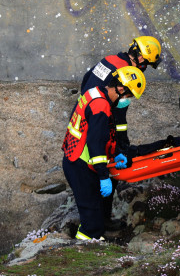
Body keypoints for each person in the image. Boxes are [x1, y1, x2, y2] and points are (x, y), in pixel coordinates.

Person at [62, 65, 146, 241]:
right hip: (81, 164)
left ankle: (84, 246)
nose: (127, 101)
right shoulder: (101, 106)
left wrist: (115, 154)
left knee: (93, 215)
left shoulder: (95, 92)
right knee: (93, 223)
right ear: (121, 89)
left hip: (75, 158)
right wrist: (103, 175)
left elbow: (99, 134)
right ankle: (84, 254)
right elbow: (95, 144)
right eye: (128, 96)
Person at [80, 36, 162, 157]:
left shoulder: (109, 59)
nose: (144, 69)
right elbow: (120, 118)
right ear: (140, 58)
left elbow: (86, 78)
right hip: (95, 125)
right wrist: (123, 148)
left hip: (80, 116)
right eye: (146, 65)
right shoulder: (126, 76)